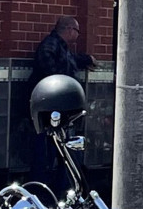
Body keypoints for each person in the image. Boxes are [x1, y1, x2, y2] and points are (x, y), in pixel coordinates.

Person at [25, 16, 93, 174]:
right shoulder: (50, 45)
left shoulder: (60, 47)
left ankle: (58, 183)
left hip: (56, 105)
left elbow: (70, 60)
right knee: (44, 148)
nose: (77, 35)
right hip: (48, 106)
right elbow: (51, 69)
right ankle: (42, 185)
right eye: (77, 31)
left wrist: (87, 59)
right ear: (69, 29)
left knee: (57, 146)